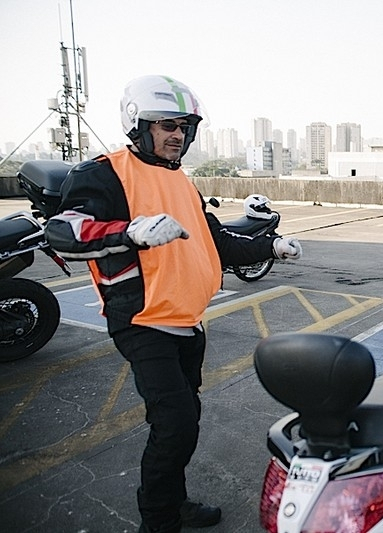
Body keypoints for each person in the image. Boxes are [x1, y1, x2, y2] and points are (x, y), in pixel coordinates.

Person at [45, 75, 302, 533]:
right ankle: (158, 521)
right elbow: (63, 231)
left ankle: (173, 500)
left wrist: (270, 246)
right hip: (142, 320)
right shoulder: (104, 172)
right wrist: (128, 233)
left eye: (184, 127)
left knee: (185, 420)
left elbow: (215, 242)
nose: (177, 135)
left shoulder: (182, 181)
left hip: (187, 320)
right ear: (138, 125)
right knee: (176, 425)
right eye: (166, 125)